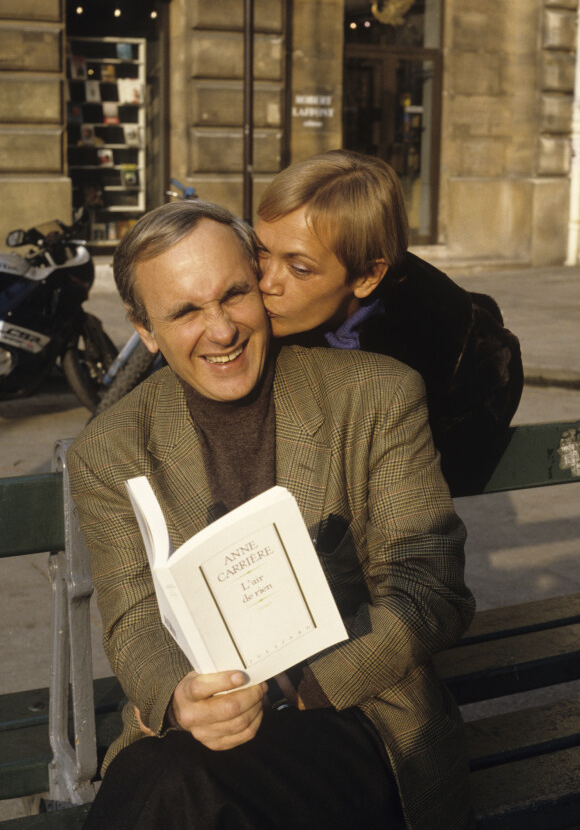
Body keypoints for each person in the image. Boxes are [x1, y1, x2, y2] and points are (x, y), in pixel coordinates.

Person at [67, 199, 475, 829]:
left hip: (360, 718)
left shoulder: (373, 395)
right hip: (196, 737)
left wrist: (299, 689)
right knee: (179, 781)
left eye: (233, 294)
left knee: (176, 789)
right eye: (185, 311)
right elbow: (133, 618)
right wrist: (180, 700)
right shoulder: (112, 448)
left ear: (259, 285)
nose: (222, 330)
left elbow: (430, 592)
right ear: (144, 328)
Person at [254, 149, 524, 496]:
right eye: (261, 250)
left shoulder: (453, 364)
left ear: (367, 275)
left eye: (299, 268)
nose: (266, 282)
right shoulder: (235, 308)